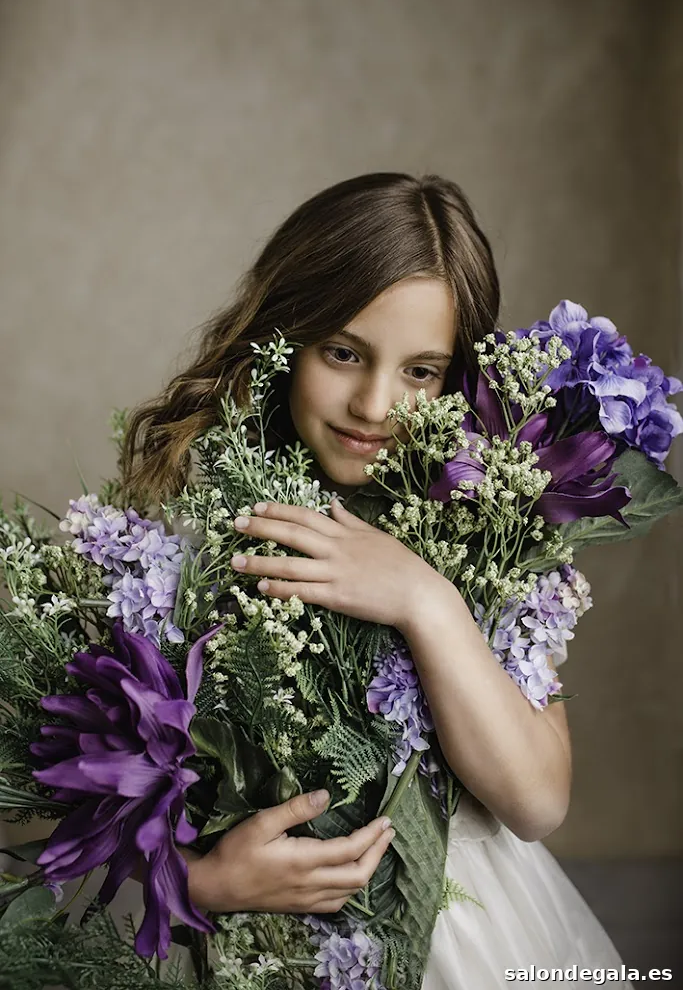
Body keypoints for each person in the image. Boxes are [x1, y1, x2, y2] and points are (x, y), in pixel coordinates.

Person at [120, 173, 634, 988]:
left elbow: (536, 804)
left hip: (465, 943)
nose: (373, 403)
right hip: (262, 954)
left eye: (421, 371)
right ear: (283, 340)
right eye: (343, 352)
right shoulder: (188, 539)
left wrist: (424, 599)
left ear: (456, 378)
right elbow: (104, 816)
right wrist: (202, 882)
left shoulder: (482, 531)